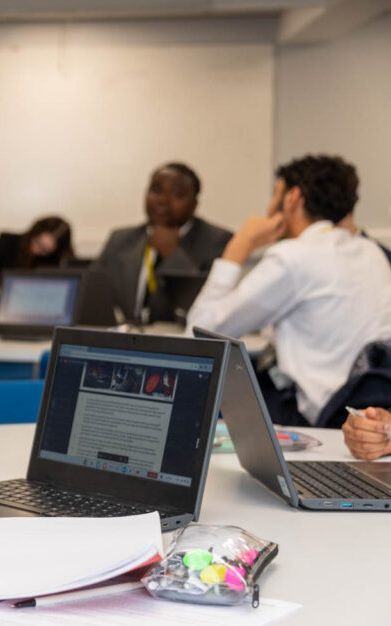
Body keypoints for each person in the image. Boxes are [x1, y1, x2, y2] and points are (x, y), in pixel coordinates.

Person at [187, 154, 391, 426]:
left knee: (195, 386)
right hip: (364, 407)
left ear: (293, 198)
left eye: (275, 196)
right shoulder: (370, 251)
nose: (270, 206)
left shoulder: (293, 257)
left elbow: (198, 335)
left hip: (316, 417)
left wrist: (240, 245)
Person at [94, 162, 231, 323]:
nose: (162, 200)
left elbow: (211, 308)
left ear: (194, 204)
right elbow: (91, 293)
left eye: (176, 194)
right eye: (156, 190)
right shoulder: (121, 239)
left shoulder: (217, 241)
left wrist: (173, 254)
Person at [0, 215, 74, 290]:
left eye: (45, 251)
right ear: (34, 232)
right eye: (37, 242)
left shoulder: (59, 262)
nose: (36, 250)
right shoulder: (7, 242)